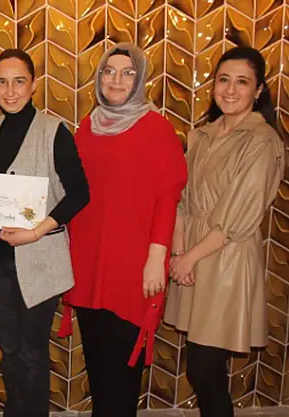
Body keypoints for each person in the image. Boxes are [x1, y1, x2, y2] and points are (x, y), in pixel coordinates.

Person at [57, 43, 188, 417]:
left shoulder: (157, 128)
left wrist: (157, 257)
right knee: (98, 366)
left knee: (121, 370)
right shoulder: (88, 125)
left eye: (127, 72)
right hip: (88, 262)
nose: (116, 79)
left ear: (140, 79)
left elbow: (168, 198)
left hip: (132, 265)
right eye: (109, 71)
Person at [164, 47, 284, 417]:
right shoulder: (202, 135)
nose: (230, 90)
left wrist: (189, 257)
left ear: (258, 90)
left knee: (205, 369)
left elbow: (238, 214)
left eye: (242, 82)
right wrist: (179, 253)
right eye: (224, 80)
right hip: (192, 256)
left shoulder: (262, 140)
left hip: (226, 259)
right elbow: (180, 197)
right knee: (203, 369)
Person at [0, 49, 89, 416]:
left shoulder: (54, 131)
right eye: (2, 82)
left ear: (33, 85)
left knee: (32, 351)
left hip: (37, 260)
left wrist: (36, 232)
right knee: (9, 350)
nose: (10, 91)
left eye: (19, 81)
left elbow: (80, 193)